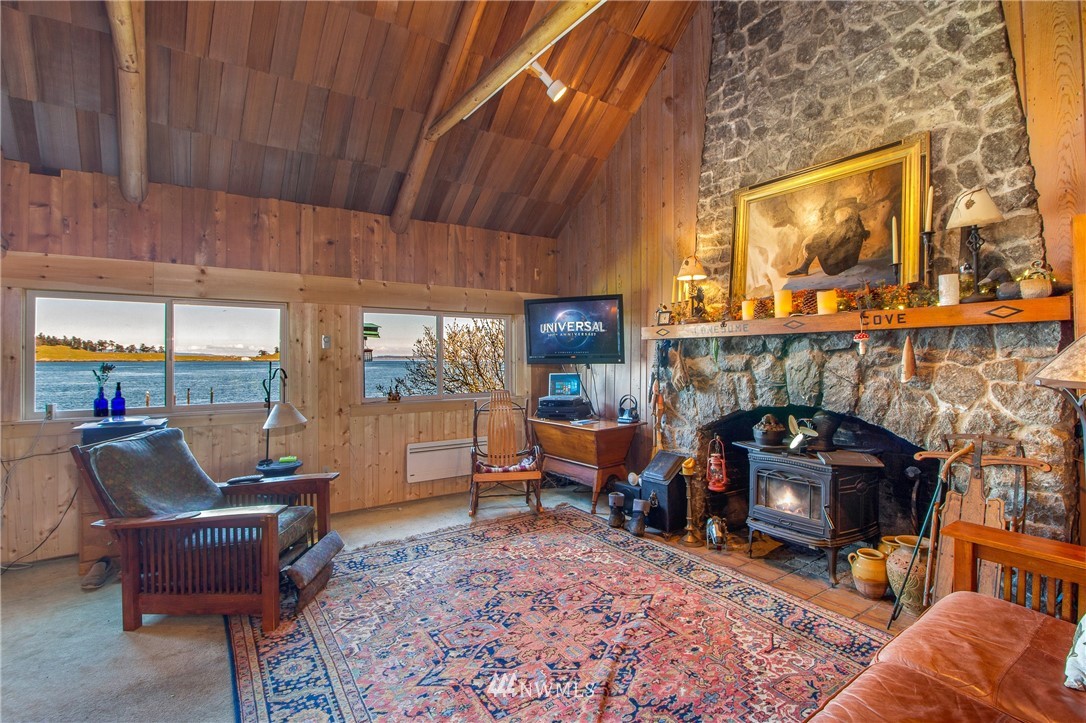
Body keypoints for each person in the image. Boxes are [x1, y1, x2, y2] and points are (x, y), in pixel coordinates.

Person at [787, 205, 870, 277]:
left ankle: (803, 268)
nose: (835, 216)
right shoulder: (853, 226)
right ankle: (804, 268)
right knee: (819, 238)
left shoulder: (845, 228)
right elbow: (831, 242)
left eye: (837, 214)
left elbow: (829, 244)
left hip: (836, 267)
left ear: (845, 213)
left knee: (817, 243)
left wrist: (808, 246)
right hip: (846, 262)